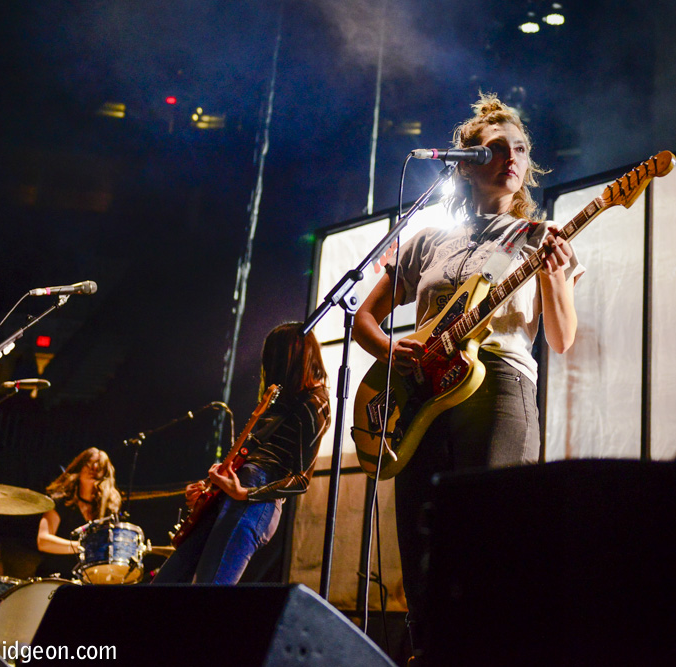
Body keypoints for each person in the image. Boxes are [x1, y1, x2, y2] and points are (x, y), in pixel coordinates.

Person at [351, 92, 584, 658]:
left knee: (494, 538)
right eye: (496, 149)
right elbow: (363, 319)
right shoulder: (428, 238)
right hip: (422, 394)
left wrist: (553, 278)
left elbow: (560, 338)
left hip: (499, 384)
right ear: (466, 163)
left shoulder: (541, 236)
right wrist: (390, 349)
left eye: (521, 149)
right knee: (422, 542)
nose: (512, 158)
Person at [152, 322, 330, 585]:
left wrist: (246, 493)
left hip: (254, 502)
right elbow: (251, 451)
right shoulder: (281, 399)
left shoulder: (315, 403)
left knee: (209, 589)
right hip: (232, 492)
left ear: (289, 358)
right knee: (163, 584)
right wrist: (210, 485)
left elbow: (302, 480)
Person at [35, 447, 122, 579]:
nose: (94, 468)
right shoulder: (62, 501)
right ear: (80, 467)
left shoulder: (108, 508)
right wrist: (83, 547)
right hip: (54, 576)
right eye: (90, 463)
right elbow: (43, 541)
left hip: (88, 580)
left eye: (100, 466)